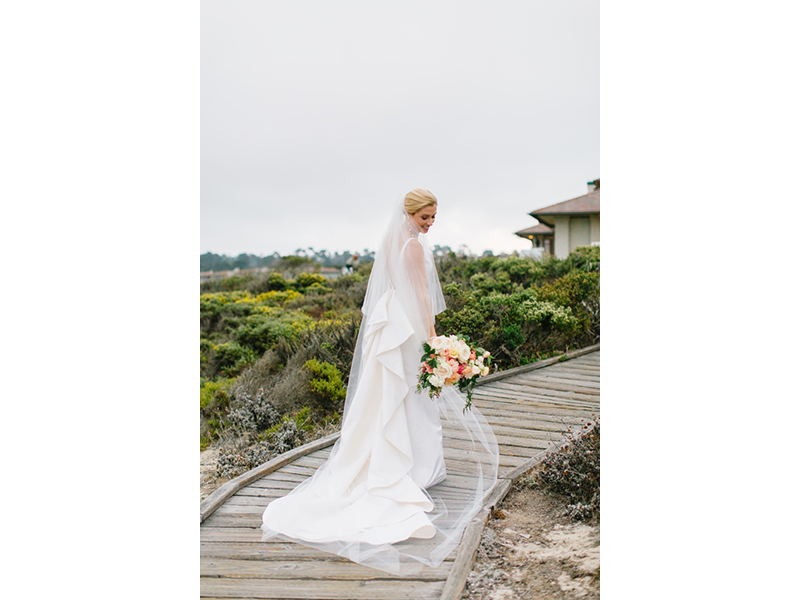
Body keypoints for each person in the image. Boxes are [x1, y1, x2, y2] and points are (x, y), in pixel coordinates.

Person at [261, 189, 499, 575]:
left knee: (397, 396)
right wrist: (434, 336)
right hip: (409, 330)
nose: (430, 224)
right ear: (410, 214)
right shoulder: (414, 248)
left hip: (392, 326)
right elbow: (421, 295)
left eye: (434, 218)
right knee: (414, 396)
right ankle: (419, 470)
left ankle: (405, 462)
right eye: (425, 217)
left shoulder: (393, 241)